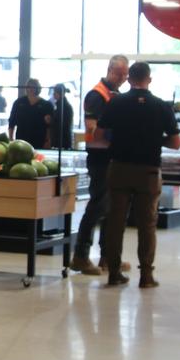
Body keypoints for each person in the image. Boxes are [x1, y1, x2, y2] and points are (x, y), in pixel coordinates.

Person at [96, 62, 180, 288]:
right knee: (147, 224)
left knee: (116, 222)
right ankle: (146, 275)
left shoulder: (116, 102)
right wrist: (155, 139)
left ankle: (114, 272)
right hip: (149, 172)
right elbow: (176, 143)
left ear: (129, 79)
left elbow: (98, 135)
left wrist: (117, 141)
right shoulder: (161, 106)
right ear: (149, 79)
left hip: (119, 168)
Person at [71, 54, 130, 276]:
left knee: (113, 209)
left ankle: (108, 256)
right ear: (109, 70)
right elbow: (92, 129)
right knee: (97, 206)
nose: (123, 78)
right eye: (120, 74)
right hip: (99, 158)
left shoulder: (116, 95)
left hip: (114, 158)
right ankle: (80, 255)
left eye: (126, 74)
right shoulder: (96, 95)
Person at [8, 78, 52, 148]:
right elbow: (11, 121)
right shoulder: (18, 102)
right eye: (29, 86)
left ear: (38, 88)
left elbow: (49, 126)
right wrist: (10, 138)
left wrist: (48, 140)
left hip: (39, 139)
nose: (31, 89)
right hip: (21, 139)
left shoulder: (46, 104)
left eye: (33, 86)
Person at [48, 84, 75, 149]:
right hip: (62, 140)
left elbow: (62, 124)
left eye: (55, 92)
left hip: (62, 141)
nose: (53, 94)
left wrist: (51, 121)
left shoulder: (64, 107)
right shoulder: (61, 105)